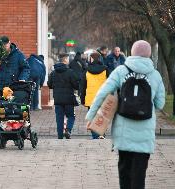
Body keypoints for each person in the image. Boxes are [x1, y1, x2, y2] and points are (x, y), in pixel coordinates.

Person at [86, 40, 165, 189]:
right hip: (145, 132)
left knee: (124, 170)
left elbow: (102, 93)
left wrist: (91, 116)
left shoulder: (121, 71)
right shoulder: (155, 75)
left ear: (132, 53)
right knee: (139, 175)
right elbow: (160, 104)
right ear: (149, 54)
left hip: (123, 131)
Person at [0, 35, 30, 146]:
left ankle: (17, 135)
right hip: (0, 88)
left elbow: (26, 68)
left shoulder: (18, 55)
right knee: (0, 113)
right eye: (1, 46)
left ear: (9, 43)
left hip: (13, 88)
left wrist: (22, 79)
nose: (3, 47)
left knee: (15, 112)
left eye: (5, 45)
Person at [47, 53, 79, 139]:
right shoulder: (70, 72)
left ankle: (60, 136)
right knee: (71, 116)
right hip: (69, 99)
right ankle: (68, 130)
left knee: (59, 118)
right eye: (68, 59)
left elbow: (49, 85)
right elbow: (76, 85)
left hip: (57, 99)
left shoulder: (53, 73)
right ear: (65, 60)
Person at [79, 50, 108, 139]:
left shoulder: (86, 71)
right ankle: (101, 134)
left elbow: (83, 86)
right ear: (99, 59)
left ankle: (95, 136)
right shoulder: (105, 70)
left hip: (91, 98)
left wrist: (82, 99)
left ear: (91, 59)